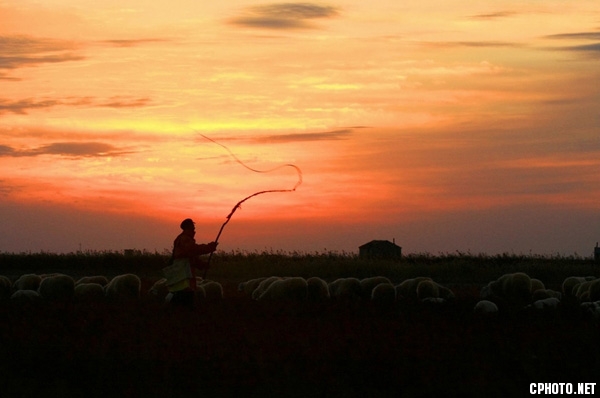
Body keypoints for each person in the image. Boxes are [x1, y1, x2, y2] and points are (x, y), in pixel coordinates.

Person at [167, 218, 218, 308]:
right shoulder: (184, 239)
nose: (194, 227)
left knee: (183, 292)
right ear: (188, 226)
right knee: (185, 292)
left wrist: (201, 265)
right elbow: (193, 250)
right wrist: (210, 247)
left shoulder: (185, 238)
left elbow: (191, 256)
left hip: (184, 270)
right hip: (183, 271)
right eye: (192, 225)